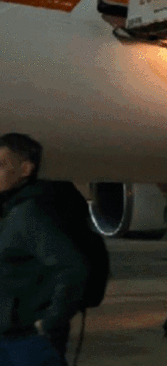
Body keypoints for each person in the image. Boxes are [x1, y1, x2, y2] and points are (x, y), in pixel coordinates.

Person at [0, 133, 88, 366]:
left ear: (25, 169)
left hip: (26, 341)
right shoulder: (9, 211)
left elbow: (73, 269)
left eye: (0, 166)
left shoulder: (29, 214)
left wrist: (50, 321)